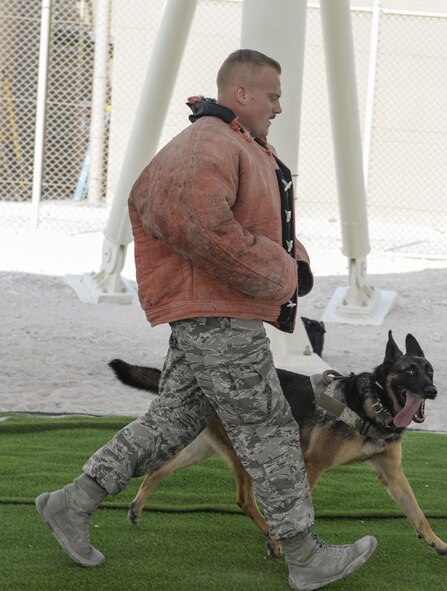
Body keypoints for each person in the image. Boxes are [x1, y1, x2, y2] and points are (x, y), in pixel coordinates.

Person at [35, 49, 377, 590]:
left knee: (170, 423)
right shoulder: (207, 144)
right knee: (268, 425)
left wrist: (296, 262)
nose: (279, 107)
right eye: (272, 96)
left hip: (215, 310)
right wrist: (285, 274)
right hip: (216, 315)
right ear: (241, 94)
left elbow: (253, 223)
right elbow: (200, 225)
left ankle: (69, 504)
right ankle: (305, 556)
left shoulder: (226, 142)